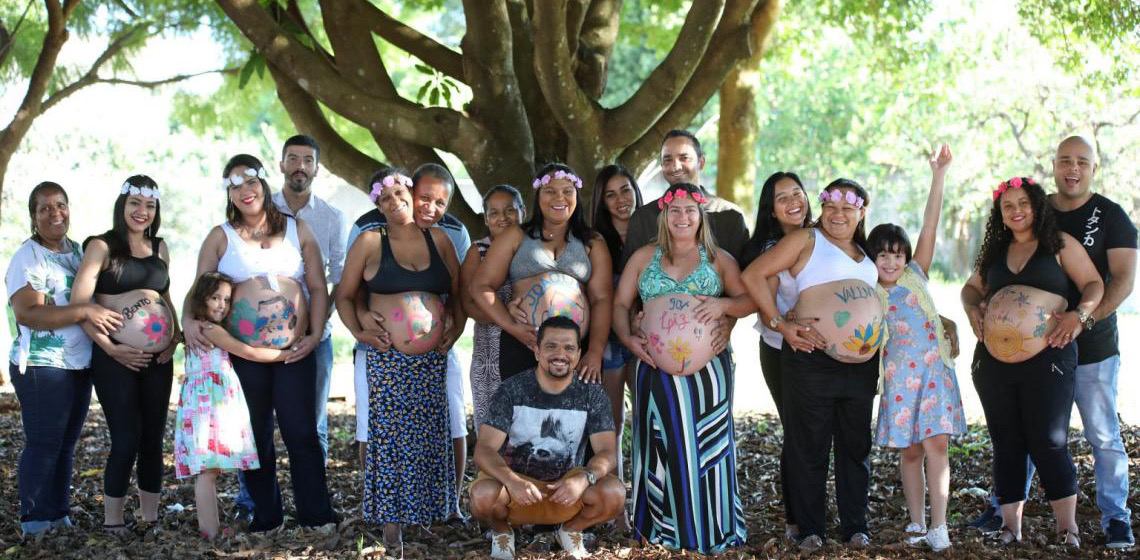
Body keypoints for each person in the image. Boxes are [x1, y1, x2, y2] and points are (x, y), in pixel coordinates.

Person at [183, 154, 337, 532]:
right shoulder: (221, 236)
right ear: (229, 195)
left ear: (263, 184)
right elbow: (198, 290)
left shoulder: (297, 229)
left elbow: (317, 287)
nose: (244, 192)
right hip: (242, 356)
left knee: (301, 432)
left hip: (294, 352)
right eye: (234, 186)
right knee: (255, 435)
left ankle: (316, 514)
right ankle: (266, 516)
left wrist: (314, 335)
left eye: (249, 183)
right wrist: (188, 322)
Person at [742, 179, 884, 551]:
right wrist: (780, 324)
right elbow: (753, 275)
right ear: (821, 207)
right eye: (831, 207)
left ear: (861, 212)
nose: (838, 214)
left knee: (856, 447)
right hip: (810, 358)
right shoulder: (806, 240)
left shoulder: (866, 253)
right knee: (809, 445)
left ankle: (856, 526)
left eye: (848, 208)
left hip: (861, 365)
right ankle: (810, 530)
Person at [613, 183, 756, 553]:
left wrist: (723, 308)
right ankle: (656, 528)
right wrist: (629, 337)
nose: (682, 217)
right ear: (663, 215)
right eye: (674, 210)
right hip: (653, 368)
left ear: (701, 215)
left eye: (690, 210)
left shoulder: (719, 258)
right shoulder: (644, 257)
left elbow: (747, 299)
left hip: (709, 374)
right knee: (658, 442)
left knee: (706, 445)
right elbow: (619, 304)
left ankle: (710, 528)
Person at [961, 176, 1103, 547]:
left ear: (1037, 205)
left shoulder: (1059, 244)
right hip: (994, 363)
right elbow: (970, 288)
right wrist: (971, 309)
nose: (1016, 211)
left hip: (1050, 357)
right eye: (1008, 206)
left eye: (1023, 203)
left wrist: (1081, 315)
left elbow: (1093, 285)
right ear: (1001, 214)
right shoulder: (995, 250)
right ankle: (1011, 527)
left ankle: (1067, 528)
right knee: (1006, 440)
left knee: (1048, 440)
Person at [336, 168, 463, 552]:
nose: (395, 202)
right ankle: (392, 525)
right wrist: (360, 330)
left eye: (400, 193)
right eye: (386, 198)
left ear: (411, 191)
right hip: (388, 358)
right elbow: (344, 295)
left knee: (428, 436)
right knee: (390, 440)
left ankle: (424, 517)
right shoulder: (371, 241)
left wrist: (454, 329)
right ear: (377, 203)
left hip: (431, 361)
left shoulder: (439, 239)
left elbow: (458, 293)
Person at [6, 182, 123, 538]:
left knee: (66, 443)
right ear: (33, 216)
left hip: (78, 364)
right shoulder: (28, 257)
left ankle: (58, 514)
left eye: (60, 205)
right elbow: (28, 313)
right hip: (44, 365)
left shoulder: (77, 252)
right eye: (45, 208)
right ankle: (35, 520)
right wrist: (83, 309)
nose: (55, 213)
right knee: (44, 442)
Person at [70, 175, 180, 536]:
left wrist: (173, 337)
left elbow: (165, 298)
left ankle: (150, 518)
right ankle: (113, 519)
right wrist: (113, 349)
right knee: (126, 437)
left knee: (153, 438)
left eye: (149, 206)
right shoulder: (102, 246)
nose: (142, 212)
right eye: (135, 203)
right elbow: (79, 306)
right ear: (122, 206)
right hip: (113, 359)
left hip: (158, 362)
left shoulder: (160, 247)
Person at [868, 145, 965, 552]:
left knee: (935, 445)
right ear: (870, 258)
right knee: (909, 451)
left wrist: (938, 175)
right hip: (898, 377)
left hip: (933, 374)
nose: (890, 262)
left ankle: (939, 526)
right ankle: (915, 520)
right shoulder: (867, 291)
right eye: (883, 255)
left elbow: (930, 225)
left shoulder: (914, 277)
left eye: (897, 254)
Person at [469, 316, 626, 560]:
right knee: (481, 496)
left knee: (614, 493)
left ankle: (570, 531)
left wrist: (583, 479)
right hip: (517, 491)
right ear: (536, 351)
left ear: (578, 353)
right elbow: (484, 450)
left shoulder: (592, 394)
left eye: (569, 347)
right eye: (551, 346)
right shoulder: (512, 389)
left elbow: (607, 452)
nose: (560, 354)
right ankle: (502, 533)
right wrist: (512, 481)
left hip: (566, 491)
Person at [1048, 136, 1136, 549]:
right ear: (1053, 165)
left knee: (1103, 435)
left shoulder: (1112, 216)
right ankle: (1005, 507)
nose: (1073, 168)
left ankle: (1116, 518)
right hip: (1038, 346)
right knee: (1034, 431)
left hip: (1094, 348)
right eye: (1065, 160)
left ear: (1093, 169)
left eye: (1082, 162)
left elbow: (1123, 279)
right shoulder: (1035, 210)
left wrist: (1084, 320)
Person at [470, 163, 613, 383]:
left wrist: (595, 351)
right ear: (538, 196)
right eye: (550, 191)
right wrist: (511, 325)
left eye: (567, 191)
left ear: (577, 195)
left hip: (575, 353)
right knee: (522, 416)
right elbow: (480, 286)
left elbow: (602, 299)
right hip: (523, 344)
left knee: (571, 417)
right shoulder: (516, 235)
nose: (560, 198)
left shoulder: (592, 242)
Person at [621, 130, 748, 357]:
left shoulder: (730, 216)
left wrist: (728, 323)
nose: (675, 166)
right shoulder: (643, 217)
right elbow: (626, 291)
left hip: (710, 345)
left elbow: (745, 289)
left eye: (684, 157)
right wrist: (631, 325)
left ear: (701, 161)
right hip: (650, 347)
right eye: (667, 160)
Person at [737, 170, 813, 540]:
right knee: (797, 433)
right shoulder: (765, 250)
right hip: (781, 350)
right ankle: (797, 519)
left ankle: (814, 510)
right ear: (771, 210)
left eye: (797, 193)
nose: (793, 201)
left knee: (817, 433)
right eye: (782, 198)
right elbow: (760, 302)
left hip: (821, 351)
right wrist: (782, 322)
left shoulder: (821, 238)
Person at [174, 272, 269, 540]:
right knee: (207, 472)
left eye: (226, 300)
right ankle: (210, 532)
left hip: (205, 403)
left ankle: (212, 528)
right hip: (209, 407)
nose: (221, 305)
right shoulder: (210, 330)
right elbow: (247, 352)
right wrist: (286, 353)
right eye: (215, 297)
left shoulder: (197, 328)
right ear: (200, 298)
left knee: (209, 471)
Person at [271, 134, 347, 463]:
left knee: (314, 421)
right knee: (256, 421)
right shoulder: (262, 209)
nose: (299, 166)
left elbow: (339, 279)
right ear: (281, 165)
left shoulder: (331, 218)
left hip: (316, 338)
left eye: (307, 160)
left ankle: (316, 506)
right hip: (263, 333)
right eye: (293, 159)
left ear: (317, 169)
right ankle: (251, 503)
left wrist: (315, 326)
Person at [587, 164, 642, 505]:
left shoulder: (654, 232)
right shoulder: (595, 241)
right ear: (602, 203)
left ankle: (649, 497)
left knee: (648, 415)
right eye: (611, 194)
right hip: (607, 339)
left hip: (644, 337)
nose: (621, 199)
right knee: (613, 420)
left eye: (625, 190)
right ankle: (616, 500)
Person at [461, 185, 526, 430]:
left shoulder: (533, 247)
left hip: (529, 347)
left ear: (523, 211)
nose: (503, 218)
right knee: (494, 428)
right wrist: (503, 316)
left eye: (510, 210)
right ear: (486, 219)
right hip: (491, 353)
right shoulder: (478, 251)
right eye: (495, 213)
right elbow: (467, 303)